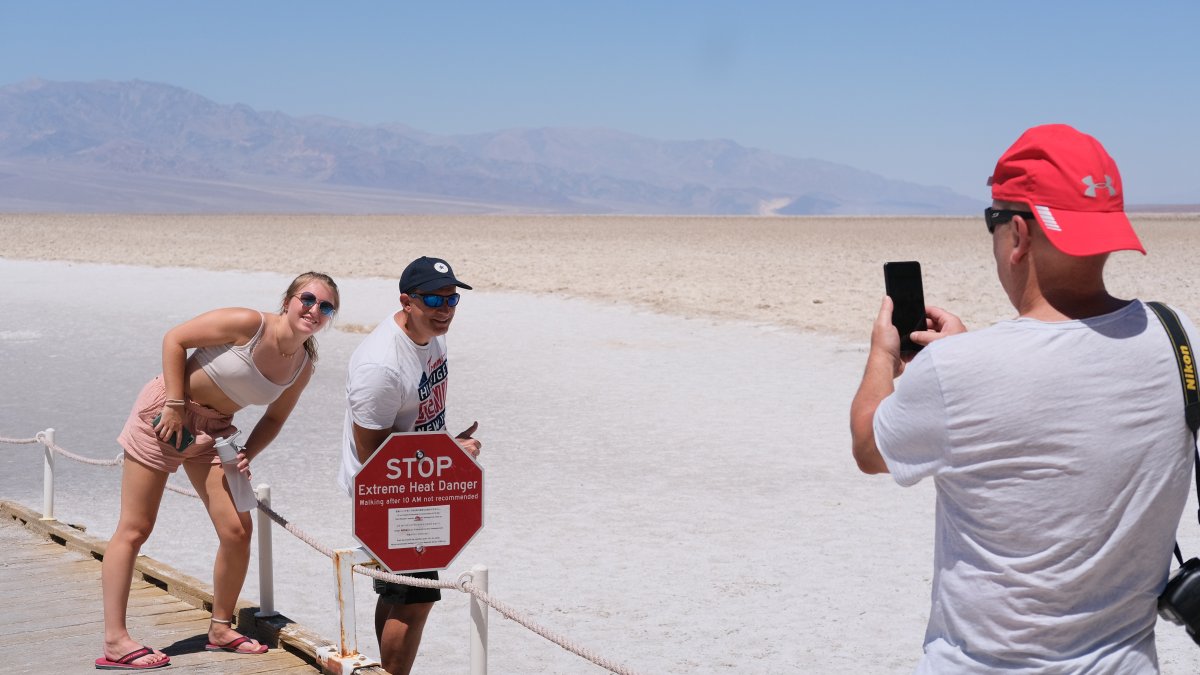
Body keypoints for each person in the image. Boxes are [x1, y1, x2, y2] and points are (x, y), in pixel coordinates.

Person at [849, 124, 1200, 672]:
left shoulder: (958, 370)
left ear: (1017, 234)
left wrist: (881, 354)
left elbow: (870, 448)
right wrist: (965, 361)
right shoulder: (1181, 339)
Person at [97, 272, 340, 670]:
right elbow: (175, 339)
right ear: (289, 300)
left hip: (215, 433)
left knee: (237, 530)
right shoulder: (249, 324)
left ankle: (220, 629)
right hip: (165, 416)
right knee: (136, 527)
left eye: (326, 307)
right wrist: (175, 403)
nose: (314, 310)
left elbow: (275, 418)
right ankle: (115, 641)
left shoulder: (303, 364)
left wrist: (247, 453)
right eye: (308, 299)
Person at [338, 256, 481, 675]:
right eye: (434, 299)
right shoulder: (380, 366)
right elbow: (373, 456)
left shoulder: (433, 339)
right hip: (389, 492)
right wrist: (450, 458)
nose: (445, 309)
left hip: (417, 480)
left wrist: (447, 448)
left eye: (452, 299)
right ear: (407, 301)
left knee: (402, 592)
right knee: (415, 597)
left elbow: (413, 422)